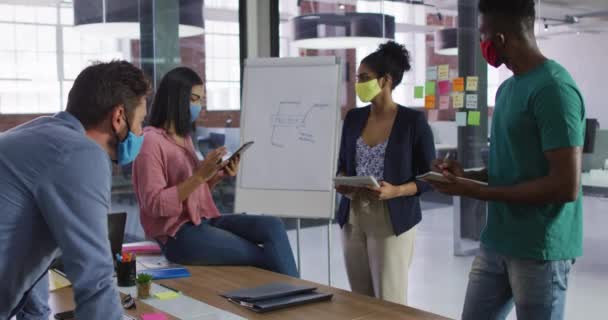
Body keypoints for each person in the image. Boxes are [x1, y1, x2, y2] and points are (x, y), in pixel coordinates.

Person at [429, 1, 585, 319]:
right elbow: (510, 167)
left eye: (484, 34)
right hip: (497, 241)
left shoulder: (553, 89)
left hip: (540, 249)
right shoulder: (507, 90)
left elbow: (565, 185)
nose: (482, 42)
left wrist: (476, 192)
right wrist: (468, 175)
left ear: (500, 39)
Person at [0, 61, 149, 320]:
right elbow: (94, 277)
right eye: (140, 122)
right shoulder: (79, 153)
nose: (140, 133)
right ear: (118, 117)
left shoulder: (42, 133)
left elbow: (28, 244)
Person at [131, 67, 299, 277]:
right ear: (175, 98)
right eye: (193, 99)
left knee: (272, 226)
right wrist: (200, 175)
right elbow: (155, 204)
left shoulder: (185, 138)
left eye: (200, 100)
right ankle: (299, 300)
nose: (198, 106)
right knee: (265, 256)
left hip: (202, 220)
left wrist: (216, 175)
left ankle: (296, 297)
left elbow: (193, 194)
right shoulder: (150, 142)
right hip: (178, 236)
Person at [335, 41, 436, 305]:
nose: (358, 83)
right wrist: (343, 182)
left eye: (364, 78)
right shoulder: (353, 118)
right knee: (359, 300)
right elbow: (343, 164)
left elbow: (430, 177)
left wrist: (396, 191)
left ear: (386, 80)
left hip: (391, 218)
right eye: (358, 77)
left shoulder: (412, 123)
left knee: (390, 301)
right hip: (353, 215)